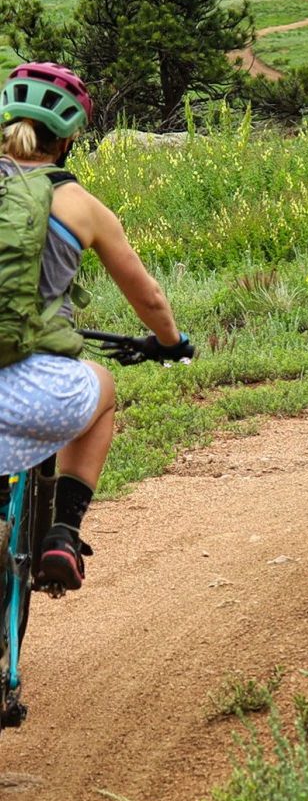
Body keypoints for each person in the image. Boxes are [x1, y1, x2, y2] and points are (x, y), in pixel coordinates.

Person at [0, 62, 193, 592]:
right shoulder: (81, 207)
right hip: (36, 388)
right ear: (66, 144)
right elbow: (147, 296)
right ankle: (62, 534)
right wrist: (171, 343)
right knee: (102, 392)